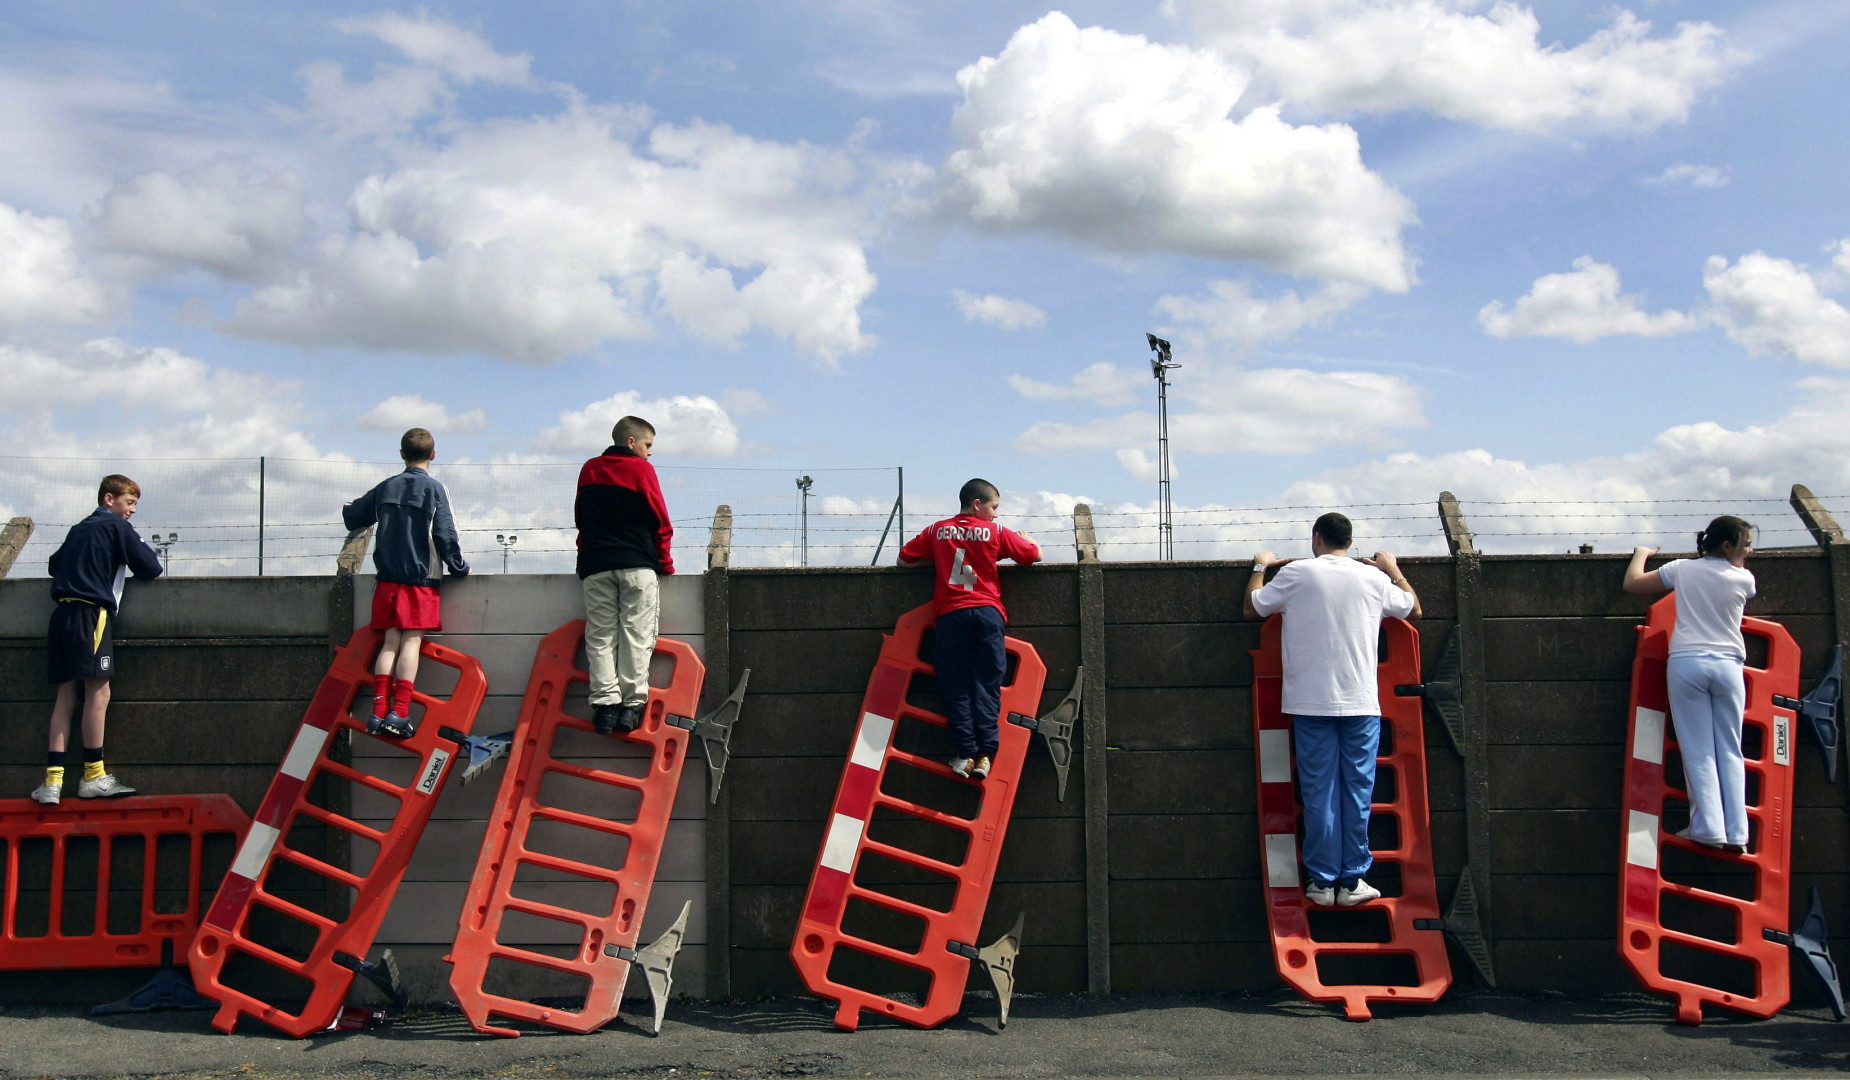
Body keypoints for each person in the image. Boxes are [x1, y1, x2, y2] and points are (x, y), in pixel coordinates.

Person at [1244, 512, 1419, 908]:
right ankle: (1353, 878)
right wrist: (1393, 570)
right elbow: (1413, 610)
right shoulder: (1373, 578)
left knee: (1319, 792)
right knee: (1358, 791)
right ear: (1350, 542)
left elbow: (1252, 608)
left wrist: (1261, 564)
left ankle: (1321, 883)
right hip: (1360, 702)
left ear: (1316, 538)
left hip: (1309, 702)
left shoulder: (1299, 574)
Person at [1623, 516, 1756, 855]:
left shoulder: (1682, 568)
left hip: (1688, 663)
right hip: (1729, 666)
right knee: (1730, 748)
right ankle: (1737, 832)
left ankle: (1708, 826)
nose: (1750, 551)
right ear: (1727, 546)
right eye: (1746, 544)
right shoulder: (1744, 579)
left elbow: (1633, 584)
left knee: (1698, 749)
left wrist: (1641, 553)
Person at [32, 474, 164, 804]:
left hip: (60, 616)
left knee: (66, 695)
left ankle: (52, 783)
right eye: (129, 503)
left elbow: (53, 565)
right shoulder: (116, 528)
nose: (132, 511)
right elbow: (150, 567)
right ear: (109, 500)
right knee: (98, 691)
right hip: (90, 615)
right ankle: (93, 775)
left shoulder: (79, 529)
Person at [897, 479, 1041, 780]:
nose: (996, 515)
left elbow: (903, 560)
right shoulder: (996, 532)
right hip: (988, 614)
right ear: (978, 504)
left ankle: (965, 754)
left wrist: (938, 560)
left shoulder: (937, 531)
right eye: (993, 507)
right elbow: (1032, 556)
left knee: (955, 684)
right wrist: (1033, 542)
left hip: (952, 615)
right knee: (987, 684)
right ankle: (986, 755)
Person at [342, 428, 469, 738]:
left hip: (387, 578)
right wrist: (457, 564)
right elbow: (444, 532)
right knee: (411, 643)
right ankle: (399, 714)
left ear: (402, 454)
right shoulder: (435, 489)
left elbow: (354, 515)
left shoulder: (387, 487)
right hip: (420, 578)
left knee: (389, 644)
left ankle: (376, 712)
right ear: (433, 455)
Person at [575, 415, 674, 736]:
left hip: (596, 563)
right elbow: (659, 518)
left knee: (601, 634)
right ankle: (631, 707)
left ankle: (604, 708)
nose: (650, 453)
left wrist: (583, 556)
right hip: (636, 563)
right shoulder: (641, 470)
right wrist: (665, 562)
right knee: (637, 633)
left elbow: (582, 518)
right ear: (631, 442)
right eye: (648, 445)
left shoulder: (590, 469)